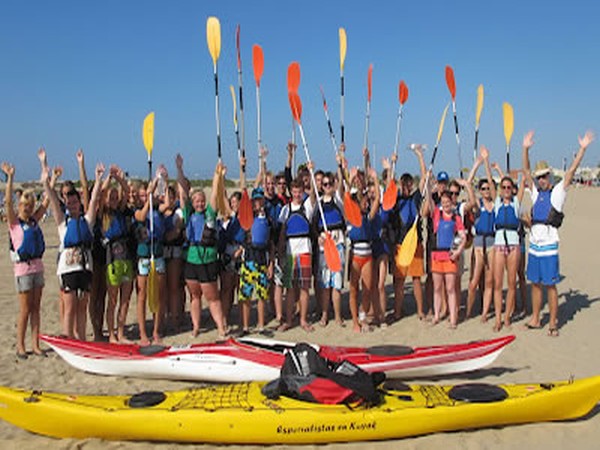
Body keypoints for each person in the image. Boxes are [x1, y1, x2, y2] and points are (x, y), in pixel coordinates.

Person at [523, 130, 595, 336]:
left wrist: (582, 149)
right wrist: (525, 149)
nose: (541, 180)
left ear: (550, 176)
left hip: (549, 246)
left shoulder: (557, 192)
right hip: (535, 246)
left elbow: (572, 171)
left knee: (550, 286)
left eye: (544, 176)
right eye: (540, 177)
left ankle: (553, 322)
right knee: (535, 284)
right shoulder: (536, 192)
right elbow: (526, 172)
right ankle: (536, 319)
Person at [44, 161, 104, 340]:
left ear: (79, 203)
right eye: (69, 203)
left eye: (74, 202)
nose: (72, 205)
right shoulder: (63, 223)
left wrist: (99, 179)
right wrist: (46, 179)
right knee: (69, 306)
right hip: (68, 269)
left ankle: (81, 338)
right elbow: (53, 202)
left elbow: (93, 200)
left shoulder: (87, 221)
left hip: (85, 268)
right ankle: (68, 336)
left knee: (82, 307)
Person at [176, 154, 227, 338]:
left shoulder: (210, 214)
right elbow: (182, 192)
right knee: (195, 296)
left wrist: (217, 175)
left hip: (208, 259)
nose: (199, 203)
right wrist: (180, 169)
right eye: (196, 200)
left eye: (201, 201)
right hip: (192, 259)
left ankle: (221, 327)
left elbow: (214, 193)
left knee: (212, 297)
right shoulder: (189, 213)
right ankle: (196, 327)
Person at [2, 161, 48, 358]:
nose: (27, 208)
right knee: (25, 309)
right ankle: (21, 346)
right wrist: (10, 178)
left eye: (30, 205)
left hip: (37, 267)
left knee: (36, 308)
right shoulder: (14, 223)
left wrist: (49, 177)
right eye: (24, 205)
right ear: (20, 205)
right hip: (23, 270)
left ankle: (35, 345)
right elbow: (7, 204)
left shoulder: (34, 220)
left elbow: (46, 204)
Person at [98, 165, 134, 343]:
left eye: (114, 197)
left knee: (125, 300)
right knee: (112, 300)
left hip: (126, 258)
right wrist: (108, 178)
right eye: (110, 198)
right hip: (112, 260)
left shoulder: (120, 210)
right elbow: (101, 192)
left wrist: (119, 178)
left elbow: (127, 191)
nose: (112, 199)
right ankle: (111, 334)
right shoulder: (102, 214)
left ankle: (121, 333)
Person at [277, 173, 316, 332]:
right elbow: (281, 234)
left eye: (299, 191)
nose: (297, 194)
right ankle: (288, 320)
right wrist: (280, 255)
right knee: (290, 288)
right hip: (289, 252)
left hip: (305, 251)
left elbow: (313, 196)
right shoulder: (285, 210)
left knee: (304, 288)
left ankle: (303, 320)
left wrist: (311, 174)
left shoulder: (307, 206)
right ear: (291, 192)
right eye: (294, 191)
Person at [424, 183, 466, 328]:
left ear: (451, 202)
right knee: (437, 288)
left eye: (448, 202)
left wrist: (458, 251)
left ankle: (453, 319)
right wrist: (429, 189)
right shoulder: (437, 214)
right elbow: (429, 202)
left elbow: (463, 237)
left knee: (450, 289)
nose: (446, 204)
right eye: (443, 202)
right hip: (436, 256)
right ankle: (436, 315)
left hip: (450, 257)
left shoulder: (456, 218)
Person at [347, 167, 380, 333]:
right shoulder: (351, 214)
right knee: (354, 289)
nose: (366, 203)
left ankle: (362, 316)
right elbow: (346, 195)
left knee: (367, 289)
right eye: (364, 201)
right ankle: (354, 322)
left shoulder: (369, 216)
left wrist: (375, 179)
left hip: (368, 255)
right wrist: (351, 179)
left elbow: (377, 200)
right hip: (354, 255)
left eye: (367, 201)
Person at [491, 170, 525, 332]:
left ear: (513, 189)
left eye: (508, 187)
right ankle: (498, 318)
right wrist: (485, 161)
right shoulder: (497, 202)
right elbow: (491, 185)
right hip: (498, 245)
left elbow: (524, 181)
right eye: (503, 187)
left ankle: (507, 318)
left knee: (512, 283)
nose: (506, 190)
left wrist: (525, 150)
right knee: (498, 284)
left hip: (514, 245)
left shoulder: (516, 203)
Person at [466, 147, 496, 320]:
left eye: (487, 189)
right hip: (478, 243)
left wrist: (486, 162)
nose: (486, 191)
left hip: (492, 242)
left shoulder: (495, 203)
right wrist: (477, 164)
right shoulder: (477, 205)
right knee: (474, 280)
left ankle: (485, 312)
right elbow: (468, 184)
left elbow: (492, 184)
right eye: (483, 189)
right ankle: (469, 312)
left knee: (490, 280)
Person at [238, 187, 274, 334]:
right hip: (248, 261)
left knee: (262, 296)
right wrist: (242, 168)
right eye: (255, 200)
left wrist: (271, 264)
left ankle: (261, 326)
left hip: (262, 262)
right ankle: (246, 327)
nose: (258, 203)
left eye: (260, 200)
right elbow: (242, 191)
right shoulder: (247, 217)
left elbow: (271, 244)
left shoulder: (268, 219)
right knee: (245, 296)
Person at [314, 170, 346, 328]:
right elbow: (313, 226)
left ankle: (338, 316)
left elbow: (341, 187)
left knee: (337, 284)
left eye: (330, 184)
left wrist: (340, 167)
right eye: (324, 184)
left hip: (338, 244)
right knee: (325, 284)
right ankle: (325, 314)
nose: (327, 187)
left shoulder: (338, 200)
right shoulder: (318, 204)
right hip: (324, 247)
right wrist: (318, 237)